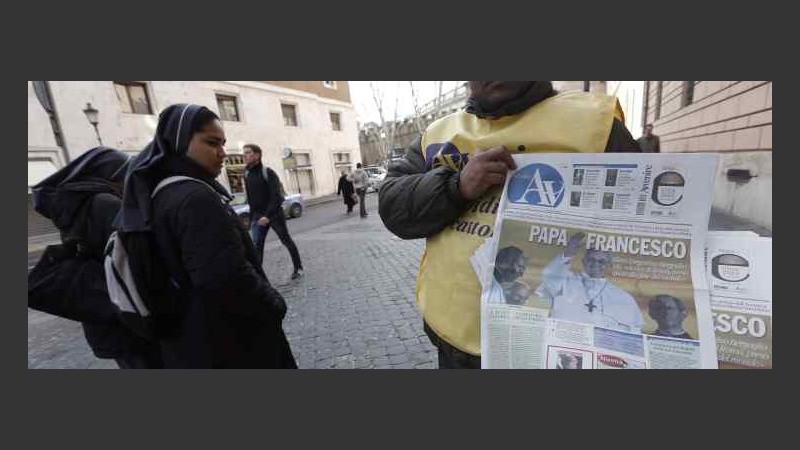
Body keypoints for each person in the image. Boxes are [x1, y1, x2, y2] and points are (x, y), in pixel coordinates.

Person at [379, 81, 642, 368]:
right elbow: (393, 207)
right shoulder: (437, 134)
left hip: (549, 350)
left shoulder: (593, 124)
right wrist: (457, 186)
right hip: (455, 342)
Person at [118, 104, 297, 368]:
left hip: (192, 340)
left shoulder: (158, 193)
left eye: (223, 143)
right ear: (180, 141)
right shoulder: (194, 197)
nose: (222, 152)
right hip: (231, 343)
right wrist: (274, 304)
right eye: (212, 143)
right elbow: (226, 278)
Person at [31, 147, 162, 368]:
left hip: (103, 310)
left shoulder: (79, 204)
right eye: (127, 174)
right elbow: (132, 254)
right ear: (112, 176)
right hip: (124, 312)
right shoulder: (105, 203)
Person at [535, 232, 644, 332]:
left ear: (609, 265)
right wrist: (569, 253)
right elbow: (549, 278)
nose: (595, 264)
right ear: (583, 262)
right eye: (591, 259)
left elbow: (634, 330)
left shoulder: (623, 297)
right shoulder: (566, 280)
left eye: (601, 261)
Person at [242, 144, 304, 279]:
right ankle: (258, 277)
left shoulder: (268, 173)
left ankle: (298, 267)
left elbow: (276, 197)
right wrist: (252, 217)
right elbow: (250, 198)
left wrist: (267, 215)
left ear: (257, 155)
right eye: (244, 153)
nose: (244, 155)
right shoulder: (246, 174)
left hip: (274, 215)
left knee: (286, 240)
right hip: (257, 216)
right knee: (256, 247)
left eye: (247, 152)